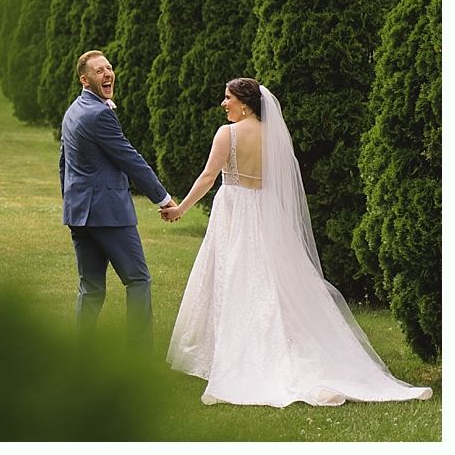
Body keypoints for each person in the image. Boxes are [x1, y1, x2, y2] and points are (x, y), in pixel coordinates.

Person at [160, 78, 432, 406]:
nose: (223, 103)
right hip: (265, 215)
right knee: (269, 282)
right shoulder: (274, 136)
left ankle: (249, 357)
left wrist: (180, 210)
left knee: (235, 280)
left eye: (228, 97)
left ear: (244, 103)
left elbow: (207, 177)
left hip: (235, 211)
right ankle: (279, 352)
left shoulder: (227, 134)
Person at [59, 50, 175, 350]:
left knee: (91, 288)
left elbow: (64, 164)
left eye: (109, 68)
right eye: (99, 71)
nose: (108, 74)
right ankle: (138, 356)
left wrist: (70, 202)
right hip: (108, 213)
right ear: (85, 79)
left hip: (79, 214)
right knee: (138, 280)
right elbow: (130, 160)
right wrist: (162, 198)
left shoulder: (73, 111)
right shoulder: (100, 114)